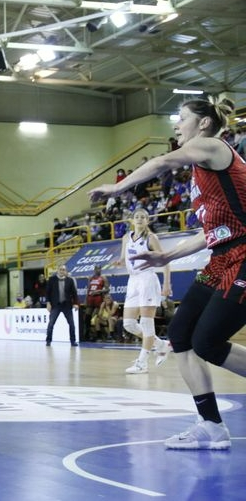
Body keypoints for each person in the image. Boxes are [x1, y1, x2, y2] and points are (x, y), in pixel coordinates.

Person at [88, 94, 240, 450]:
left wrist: (118, 187)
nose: (176, 124)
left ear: (203, 123)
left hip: (243, 256)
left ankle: (211, 424)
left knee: (207, 342)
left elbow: (164, 161)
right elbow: (211, 233)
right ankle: (211, 425)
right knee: (180, 332)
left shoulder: (212, 147)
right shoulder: (204, 170)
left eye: (181, 117)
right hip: (222, 258)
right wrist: (166, 256)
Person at [116, 208, 172, 374]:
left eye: (143, 217)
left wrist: (166, 283)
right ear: (132, 220)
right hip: (133, 280)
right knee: (129, 324)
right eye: (137, 217)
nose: (139, 219)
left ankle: (142, 363)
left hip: (147, 279)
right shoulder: (126, 238)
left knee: (147, 324)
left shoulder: (151, 238)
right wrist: (119, 262)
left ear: (147, 221)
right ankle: (161, 344)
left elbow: (165, 260)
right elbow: (123, 258)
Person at [45, 264, 79, 346]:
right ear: (57, 270)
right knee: (51, 323)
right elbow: (47, 292)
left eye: (63, 270)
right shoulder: (52, 279)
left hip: (67, 305)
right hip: (55, 305)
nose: (62, 271)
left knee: (71, 324)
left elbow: (74, 293)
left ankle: (73, 341)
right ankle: (48, 340)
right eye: (60, 269)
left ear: (66, 271)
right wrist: (48, 303)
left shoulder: (70, 280)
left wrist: (76, 303)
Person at [84, 265, 109, 340]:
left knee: (95, 316)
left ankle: (97, 335)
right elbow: (88, 289)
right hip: (90, 298)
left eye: (100, 269)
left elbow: (107, 289)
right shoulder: (91, 278)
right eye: (97, 269)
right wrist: (86, 299)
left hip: (98, 298)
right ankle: (87, 334)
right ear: (94, 270)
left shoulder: (103, 278)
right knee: (87, 317)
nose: (98, 270)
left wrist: (99, 291)